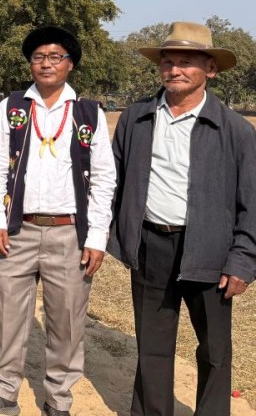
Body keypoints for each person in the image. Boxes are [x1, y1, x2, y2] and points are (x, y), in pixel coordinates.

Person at [108, 22, 256, 416]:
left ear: (211, 68)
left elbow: (252, 203)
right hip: (150, 245)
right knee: (152, 347)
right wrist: (115, 234)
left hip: (210, 251)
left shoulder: (236, 131)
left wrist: (243, 260)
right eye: (167, 62)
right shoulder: (137, 117)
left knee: (215, 350)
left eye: (186, 62)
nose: (174, 70)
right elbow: (113, 180)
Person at [0, 26, 116, 416]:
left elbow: (104, 178)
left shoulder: (88, 113)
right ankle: (3, 392)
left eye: (55, 57)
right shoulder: (12, 107)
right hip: (16, 230)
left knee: (66, 322)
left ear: (70, 64)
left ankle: (58, 400)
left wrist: (97, 237)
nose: (46, 63)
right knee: (6, 315)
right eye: (38, 57)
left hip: (69, 233)